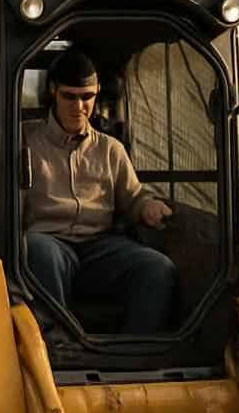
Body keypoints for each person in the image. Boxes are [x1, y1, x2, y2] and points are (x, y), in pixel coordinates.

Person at [22, 48, 177, 334]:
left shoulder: (110, 149)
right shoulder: (25, 143)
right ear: (53, 91)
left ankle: (136, 350)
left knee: (157, 267)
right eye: (69, 96)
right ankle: (57, 344)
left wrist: (147, 207)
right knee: (36, 249)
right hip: (50, 243)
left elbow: (133, 198)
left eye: (87, 97)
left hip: (99, 248)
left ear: (96, 93)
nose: (79, 106)